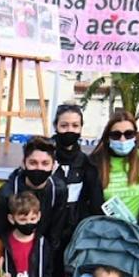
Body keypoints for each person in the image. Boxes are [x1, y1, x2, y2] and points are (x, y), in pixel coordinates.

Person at [0, 136, 67, 243]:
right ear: (23, 163)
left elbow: (55, 234)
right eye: (33, 163)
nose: (39, 168)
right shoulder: (5, 194)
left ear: (53, 166)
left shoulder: (58, 190)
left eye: (45, 163)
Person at [89, 110, 139, 225]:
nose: (122, 140)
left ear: (135, 136)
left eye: (128, 134)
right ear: (107, 137)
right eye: (116, 135)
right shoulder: (94, 163)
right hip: (105, 235)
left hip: (137, 234)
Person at [50, 103, 102, 242]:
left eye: (75, 125)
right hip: (45, 228)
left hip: (74, 232)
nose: (70, 130)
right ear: (56, 126)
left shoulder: (86, 162)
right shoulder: (43, 157)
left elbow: (93, 201)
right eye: (64, 125)